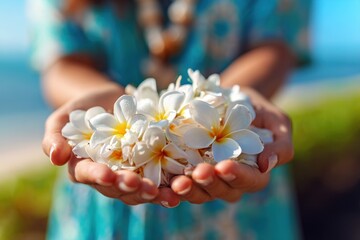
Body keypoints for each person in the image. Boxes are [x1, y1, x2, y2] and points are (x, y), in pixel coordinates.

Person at [30, 0, 307, 239]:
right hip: (112, 164)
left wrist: (231, 99)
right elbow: (61, 62)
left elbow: (275, 45)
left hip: (231, 172)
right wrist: (96, 102)